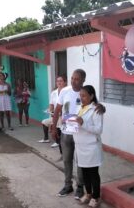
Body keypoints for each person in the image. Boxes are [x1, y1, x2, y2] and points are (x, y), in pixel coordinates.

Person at [52, 69, 105, 199]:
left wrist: (102, 107)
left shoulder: (86, 93)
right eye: (72, 78)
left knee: (81, 162)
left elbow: (95, 106)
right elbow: (57, 110)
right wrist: (54, 128)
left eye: (77, 79)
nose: (73, 81)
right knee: (67, 160)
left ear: (83, 80)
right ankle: (68, 185)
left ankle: (80, 187)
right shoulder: (65, 91)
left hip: (82, 135)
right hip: (66, 132)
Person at [74, 85, 103, 208]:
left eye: (84, 95)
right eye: (80, 95)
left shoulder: (96, 109)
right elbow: (76, 124)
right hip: (80, 146)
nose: (82, 98)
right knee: (85, 173)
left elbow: (98, 130)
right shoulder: (79, 108)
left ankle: (96, 197)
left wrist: (82, 123)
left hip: (91, 147)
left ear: (91, 96)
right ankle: (89, 194)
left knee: (93, 174)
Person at [39, 75, 67, 150]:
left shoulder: (67, 92)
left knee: (59, 124)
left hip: (63, 116)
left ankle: (58, 142)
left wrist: (60, 112)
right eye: (57, 81)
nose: (59, 82)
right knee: (44, 122)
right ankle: (46, 138)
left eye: (61, 81)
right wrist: (49, 110)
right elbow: (51, 105)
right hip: (55, 115)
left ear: (65, 82)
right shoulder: (54, 93)